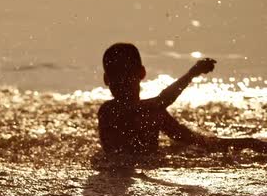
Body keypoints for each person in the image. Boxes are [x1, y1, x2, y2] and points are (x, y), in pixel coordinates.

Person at [97, 42, 267, 154]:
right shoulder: (109, 111)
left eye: (125, 76)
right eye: (116, 76)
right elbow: (162, 101)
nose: (121, 82)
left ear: (141, 74)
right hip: (116, 172)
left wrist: (247, 142)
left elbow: (200, 142)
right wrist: (192, 73)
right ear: (106, 80)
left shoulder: (155, 115)